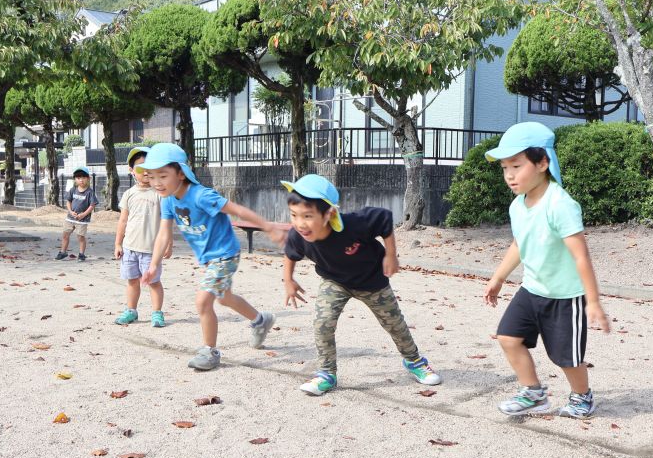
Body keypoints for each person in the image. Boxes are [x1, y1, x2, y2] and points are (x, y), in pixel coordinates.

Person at [482, 122, 610, 418]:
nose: (510, 175)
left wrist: (592, 301)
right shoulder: (518, 206)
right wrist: (498, 277)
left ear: (542, 163)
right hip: (532, 289)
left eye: (516, 165)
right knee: (508, 338)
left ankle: (582, 397)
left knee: (566, 358)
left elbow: (581, 257)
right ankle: (534, 393)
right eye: (504, 168)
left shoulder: (560, 204)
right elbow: (519, 244)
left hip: (565, 296)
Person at [281, 174, 442, 395]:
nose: (300, 223)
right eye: (294, 215)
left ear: (329, 213)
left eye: (307, 216)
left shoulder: (355, 224)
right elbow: (290, 254)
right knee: (323, 323)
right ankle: (326, 373)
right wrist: (288, 280)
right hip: (335, 281)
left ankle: (414, 361)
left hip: (372, 281)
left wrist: (391, 255)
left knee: (395, 324)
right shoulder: (298, 235)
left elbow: (384, 220)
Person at [140, 143, 285, 371]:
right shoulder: (167, 199)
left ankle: (210, 351)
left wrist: (269, 227)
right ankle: (260, 320)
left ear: (181, 173)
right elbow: (163, 234)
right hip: (209, 259)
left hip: (225, 254)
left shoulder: (201, 196)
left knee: (203, 301)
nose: (156, 182)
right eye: (151, 176)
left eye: (163, 176)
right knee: (225, 298)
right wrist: (153, 264)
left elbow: (237, 210)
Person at [114, 147, 171, 327]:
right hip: (130, 248)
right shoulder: (129, 194)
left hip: (151, 250)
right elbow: (122, 221)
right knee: (132, 282)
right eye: (140, 167)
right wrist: (118, 244)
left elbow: (167, 220)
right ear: (131, 171)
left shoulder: (161, 193)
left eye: (149, 166)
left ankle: (157, 313)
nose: (145, 171)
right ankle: (131, 311)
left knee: (153, 282)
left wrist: (168, 244)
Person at [57, 166, 98, 261]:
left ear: (88, 178)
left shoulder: (90, 192)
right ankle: (63, 252)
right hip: (70, 218)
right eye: (78, 178)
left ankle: (81, 254)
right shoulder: (73, 189)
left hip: (82, 220)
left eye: (83, 177)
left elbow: (92, 205)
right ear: (75, 179)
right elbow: (68, 201)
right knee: (65, 235)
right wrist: (71, 211)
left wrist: (83, 215)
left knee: (80, 237)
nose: (81, 180)